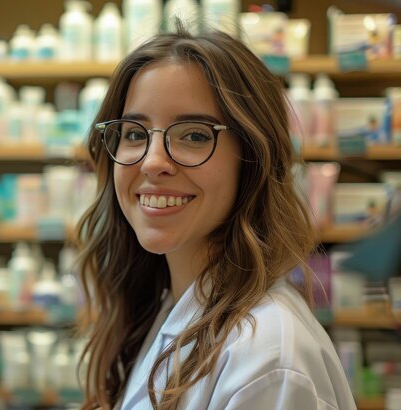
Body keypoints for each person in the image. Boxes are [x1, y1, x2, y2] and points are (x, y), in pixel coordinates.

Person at [75, 23, 356, 410]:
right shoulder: (166, 306)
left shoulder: (268, 359)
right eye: (135, 134)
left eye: (194, 135)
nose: (153, 162)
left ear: (253, 158)